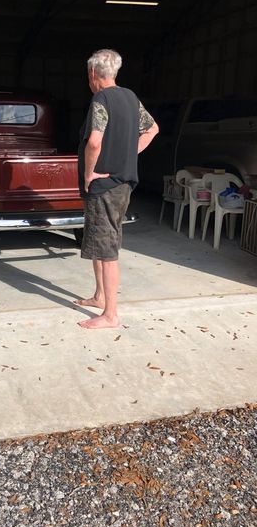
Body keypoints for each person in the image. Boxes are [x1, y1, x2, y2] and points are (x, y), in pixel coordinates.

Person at [74, 49, 158, 329]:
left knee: (107, 248)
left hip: (105, 185)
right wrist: (129, 156)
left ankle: (111, 315)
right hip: (122, 183)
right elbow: (152, 129)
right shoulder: (131, 97)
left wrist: (88, 174)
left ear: (92, 74)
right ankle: (99, 296)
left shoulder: (102, 99)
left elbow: (94, 141)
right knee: (100, 240)